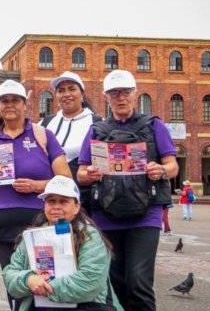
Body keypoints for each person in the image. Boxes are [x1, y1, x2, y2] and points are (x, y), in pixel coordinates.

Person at [77, 69, 178, 311]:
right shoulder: (96, 130)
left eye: (125, 92)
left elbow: (173, 166)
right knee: (115, 283)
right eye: (114, 93)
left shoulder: (154, 126)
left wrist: (160, 170)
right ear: (106, 97)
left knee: (138, 283)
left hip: (146, 214)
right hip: (106, 215)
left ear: (135, 94)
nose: (120, 98)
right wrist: (89, 175)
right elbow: (80, 174)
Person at [0, 79, 70, 310]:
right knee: (15, 286)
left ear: (25, 104)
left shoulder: (43, 135)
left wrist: (36, 186)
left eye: (15, 100)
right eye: (4, 101)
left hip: (39, 225)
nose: (10, 105)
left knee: (46, 281)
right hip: (1, 228)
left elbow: (66, 180)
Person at [2, 176, 123, 311]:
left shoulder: (90, 236)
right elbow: (10, 275)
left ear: (77, 206)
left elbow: (89, 283)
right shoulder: (32, 236)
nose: (56, 207)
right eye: (51, 201)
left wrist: (43, 287)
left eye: (63, 201)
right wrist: (28, 280)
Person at [40, 71, 103, 215]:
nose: (66, 94)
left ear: (82, 94)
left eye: (72, 89)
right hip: (52, 199)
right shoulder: (45, 123)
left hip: (84, 198)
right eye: (61, 91)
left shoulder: (96, 123)